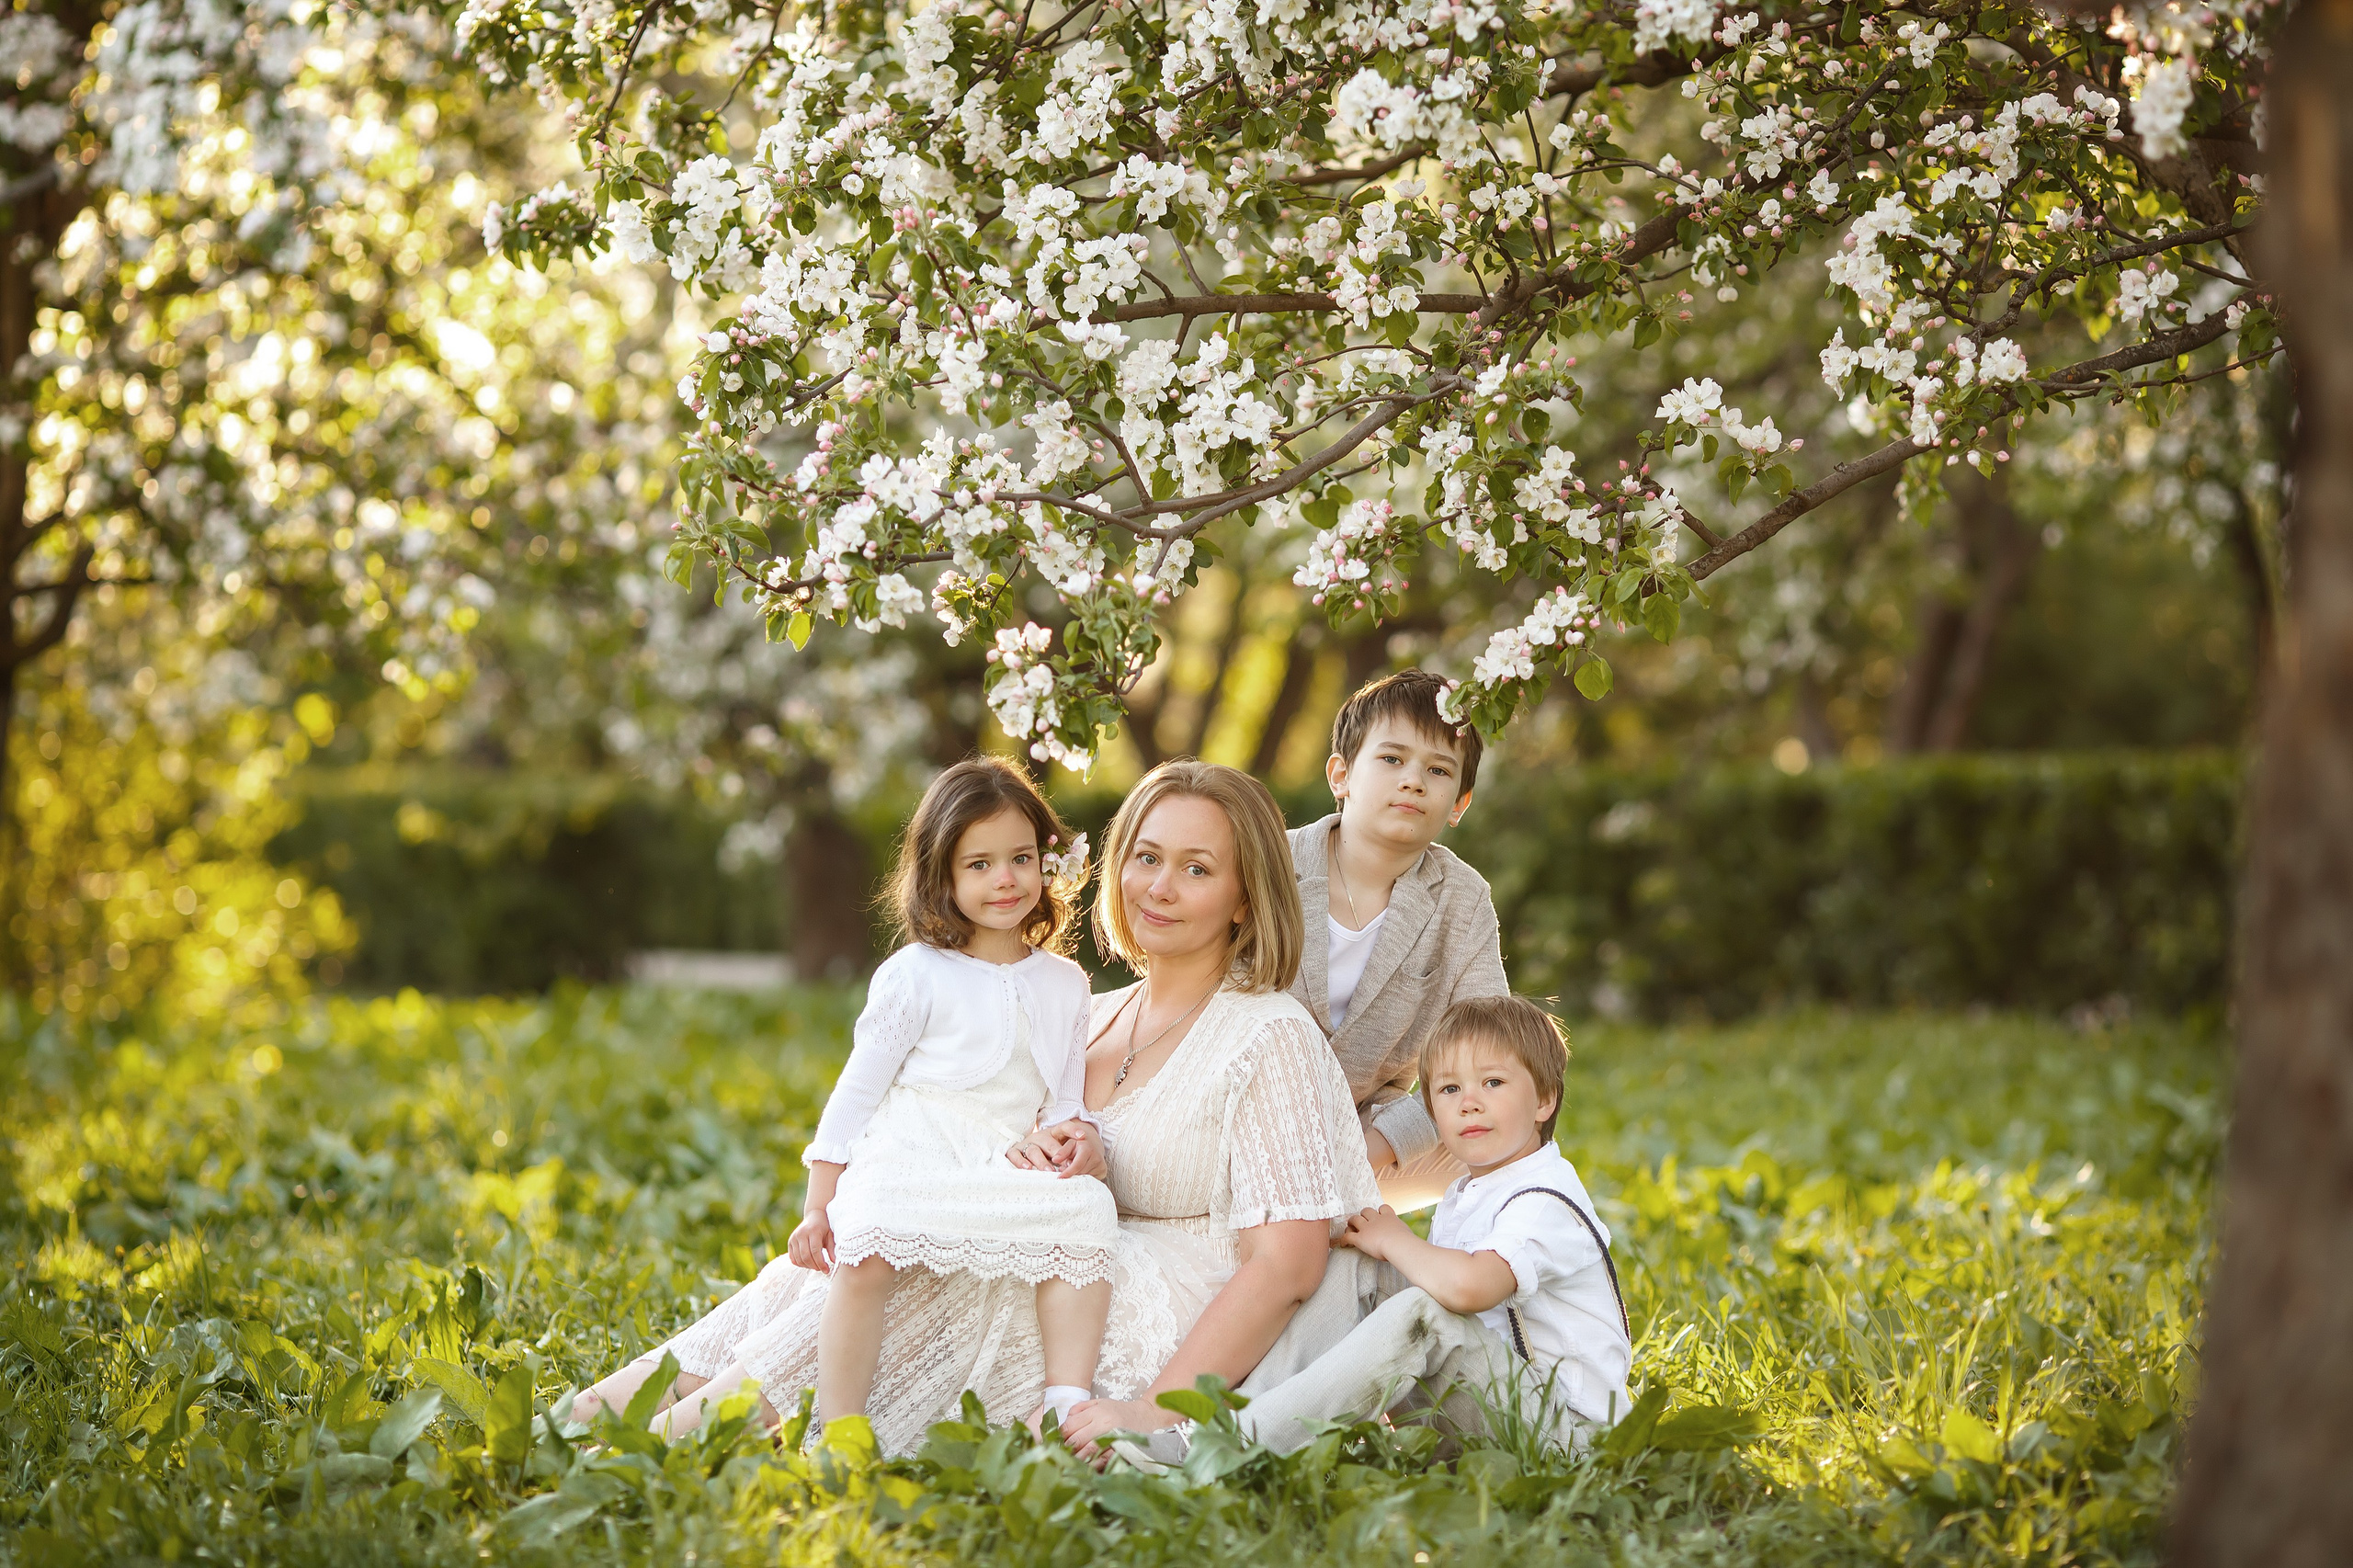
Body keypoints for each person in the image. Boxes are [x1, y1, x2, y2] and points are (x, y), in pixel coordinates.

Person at [566, 758, 1381, 1458]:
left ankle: (666, 1445)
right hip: (1032, 1245)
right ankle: (589, 1417)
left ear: (1246, 898)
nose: (1159, 888)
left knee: (930, 1268)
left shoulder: (1268, 1033)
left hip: (1148, 1308)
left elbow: (1287, 1266)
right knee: (856, 1252)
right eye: (1146, 857)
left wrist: (1153, 1411)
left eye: (1198, 869)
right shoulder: (1086, 1011)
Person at [574, 756, 1120, 1438]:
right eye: (978, 864)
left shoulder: (1066, 983)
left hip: (995, 1165)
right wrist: (817, 1205)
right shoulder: (917, 974)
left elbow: (1064, 1099)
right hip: (910, 1153)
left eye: (1019, 858)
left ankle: (1065, 1399)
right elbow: (855, 1097)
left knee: (1087, 1207)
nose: (1004, 879)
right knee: (871, 1245)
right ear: (943, 876)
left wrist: (1075, 1139)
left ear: (1047, 862)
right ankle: (842, 1431)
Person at [1229, 994, 1635, 1454]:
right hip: (1495, 1415)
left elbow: (1468, 1289)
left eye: (1493, 1082)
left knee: (1423, 1315)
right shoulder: (1471, 1192)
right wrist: (1372, 1245)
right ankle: (1238, 1417)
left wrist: (1395, 1240)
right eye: (1449, 1090)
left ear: (1544, 1100)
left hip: (1569, 1438)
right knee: (1356, 1269)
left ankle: (1248, 1445)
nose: (1470, 1104)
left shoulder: (1544, 1200)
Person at [1288, 669, 1510, 1210]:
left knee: (1510, 1136)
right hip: (1242, 1108)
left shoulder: (1461, 898)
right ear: (1341, 775)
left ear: (1460, 802)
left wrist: (1375, 1149)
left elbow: (1487, 1049)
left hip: (1366, 1126)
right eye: (1392, 759)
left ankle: (1476, 1276)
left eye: (1438, 770)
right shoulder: (1271, 863)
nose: (1413, 780)